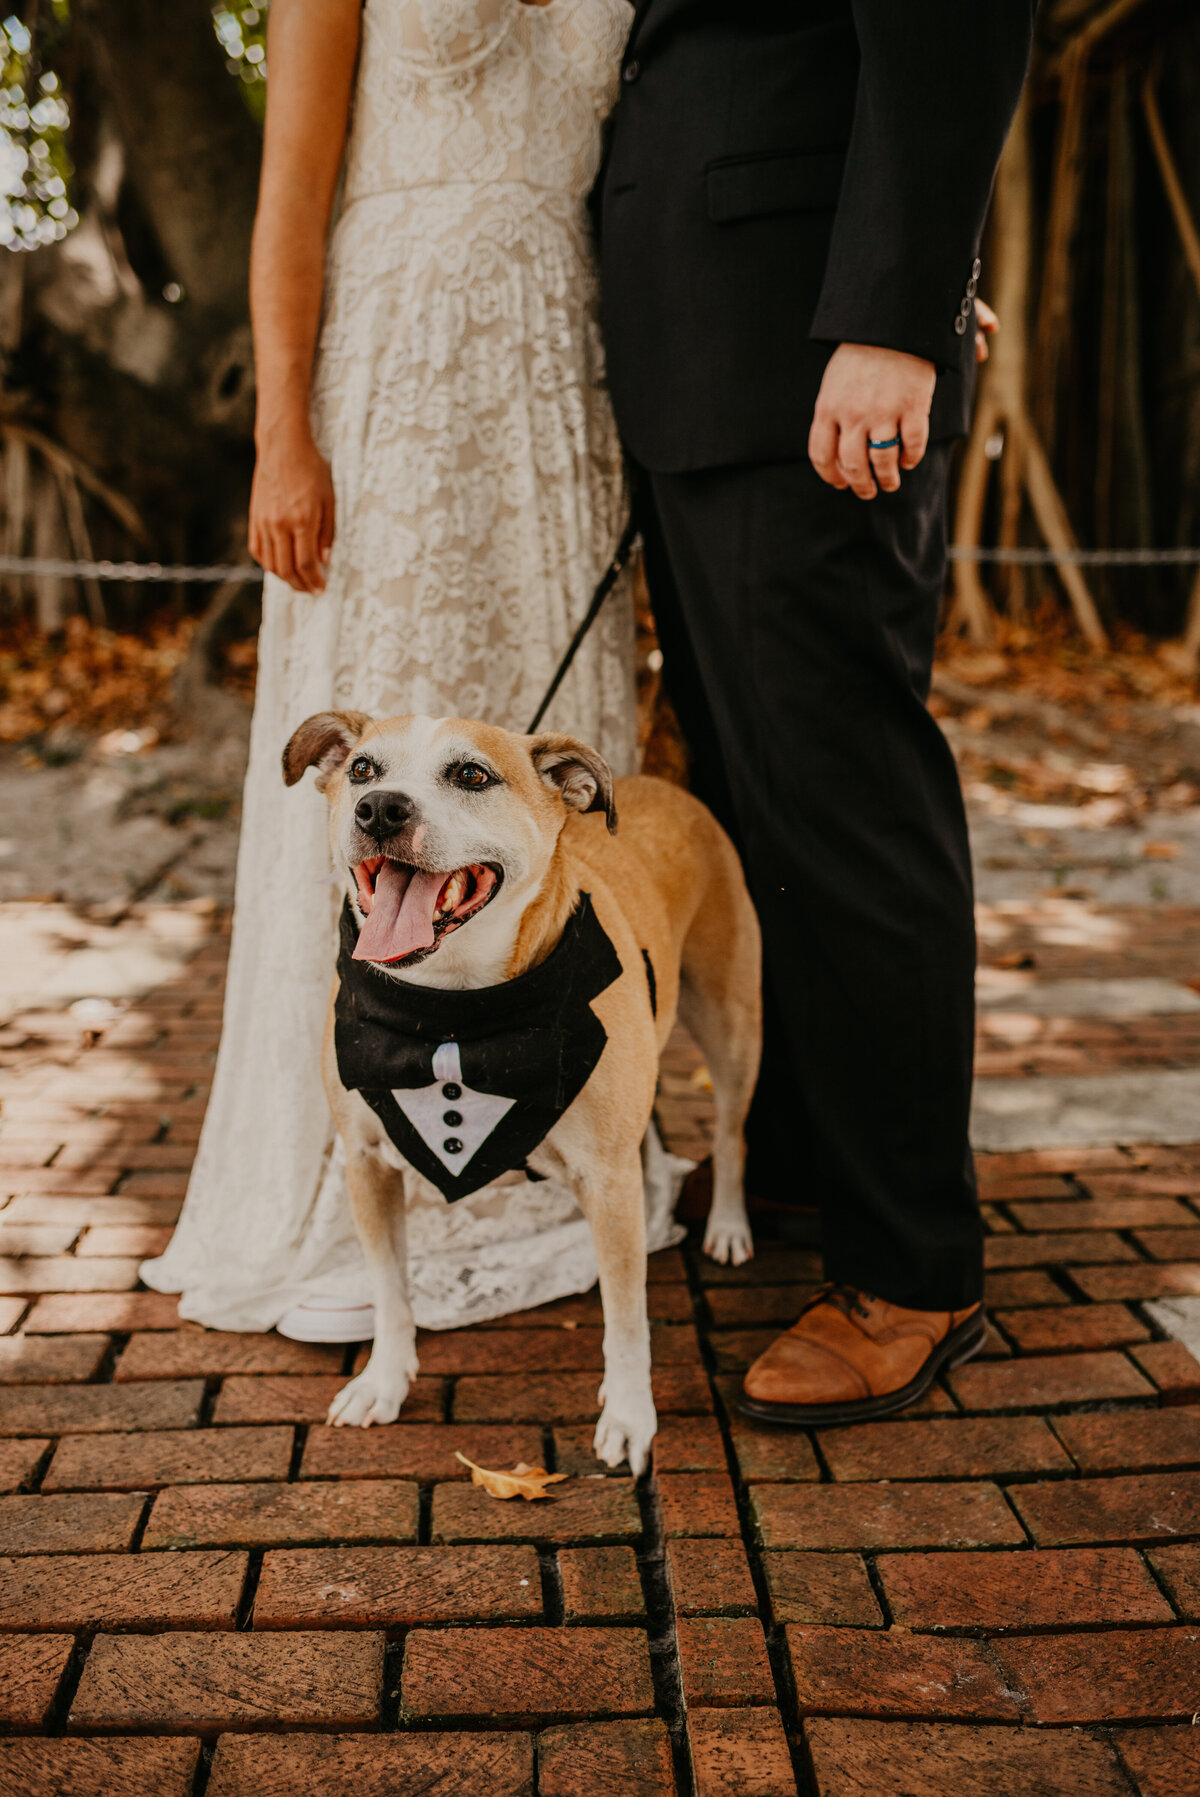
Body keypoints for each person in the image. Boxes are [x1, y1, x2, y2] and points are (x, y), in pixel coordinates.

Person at [142, 0, 692, 1340]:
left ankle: (561, 1144)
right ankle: (360, 1165)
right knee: (389, 770)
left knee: (542, 775)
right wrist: (284, 431)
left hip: (560, 388)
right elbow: (291, 188)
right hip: (395, 386)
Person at [597, 1, 1035, 1422]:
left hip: (811, 348)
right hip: (710, 351)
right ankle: (800, 1147)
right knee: (747, 787)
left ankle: (915, 1265)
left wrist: (893, 313)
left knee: (842, 792)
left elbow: (950, 23)